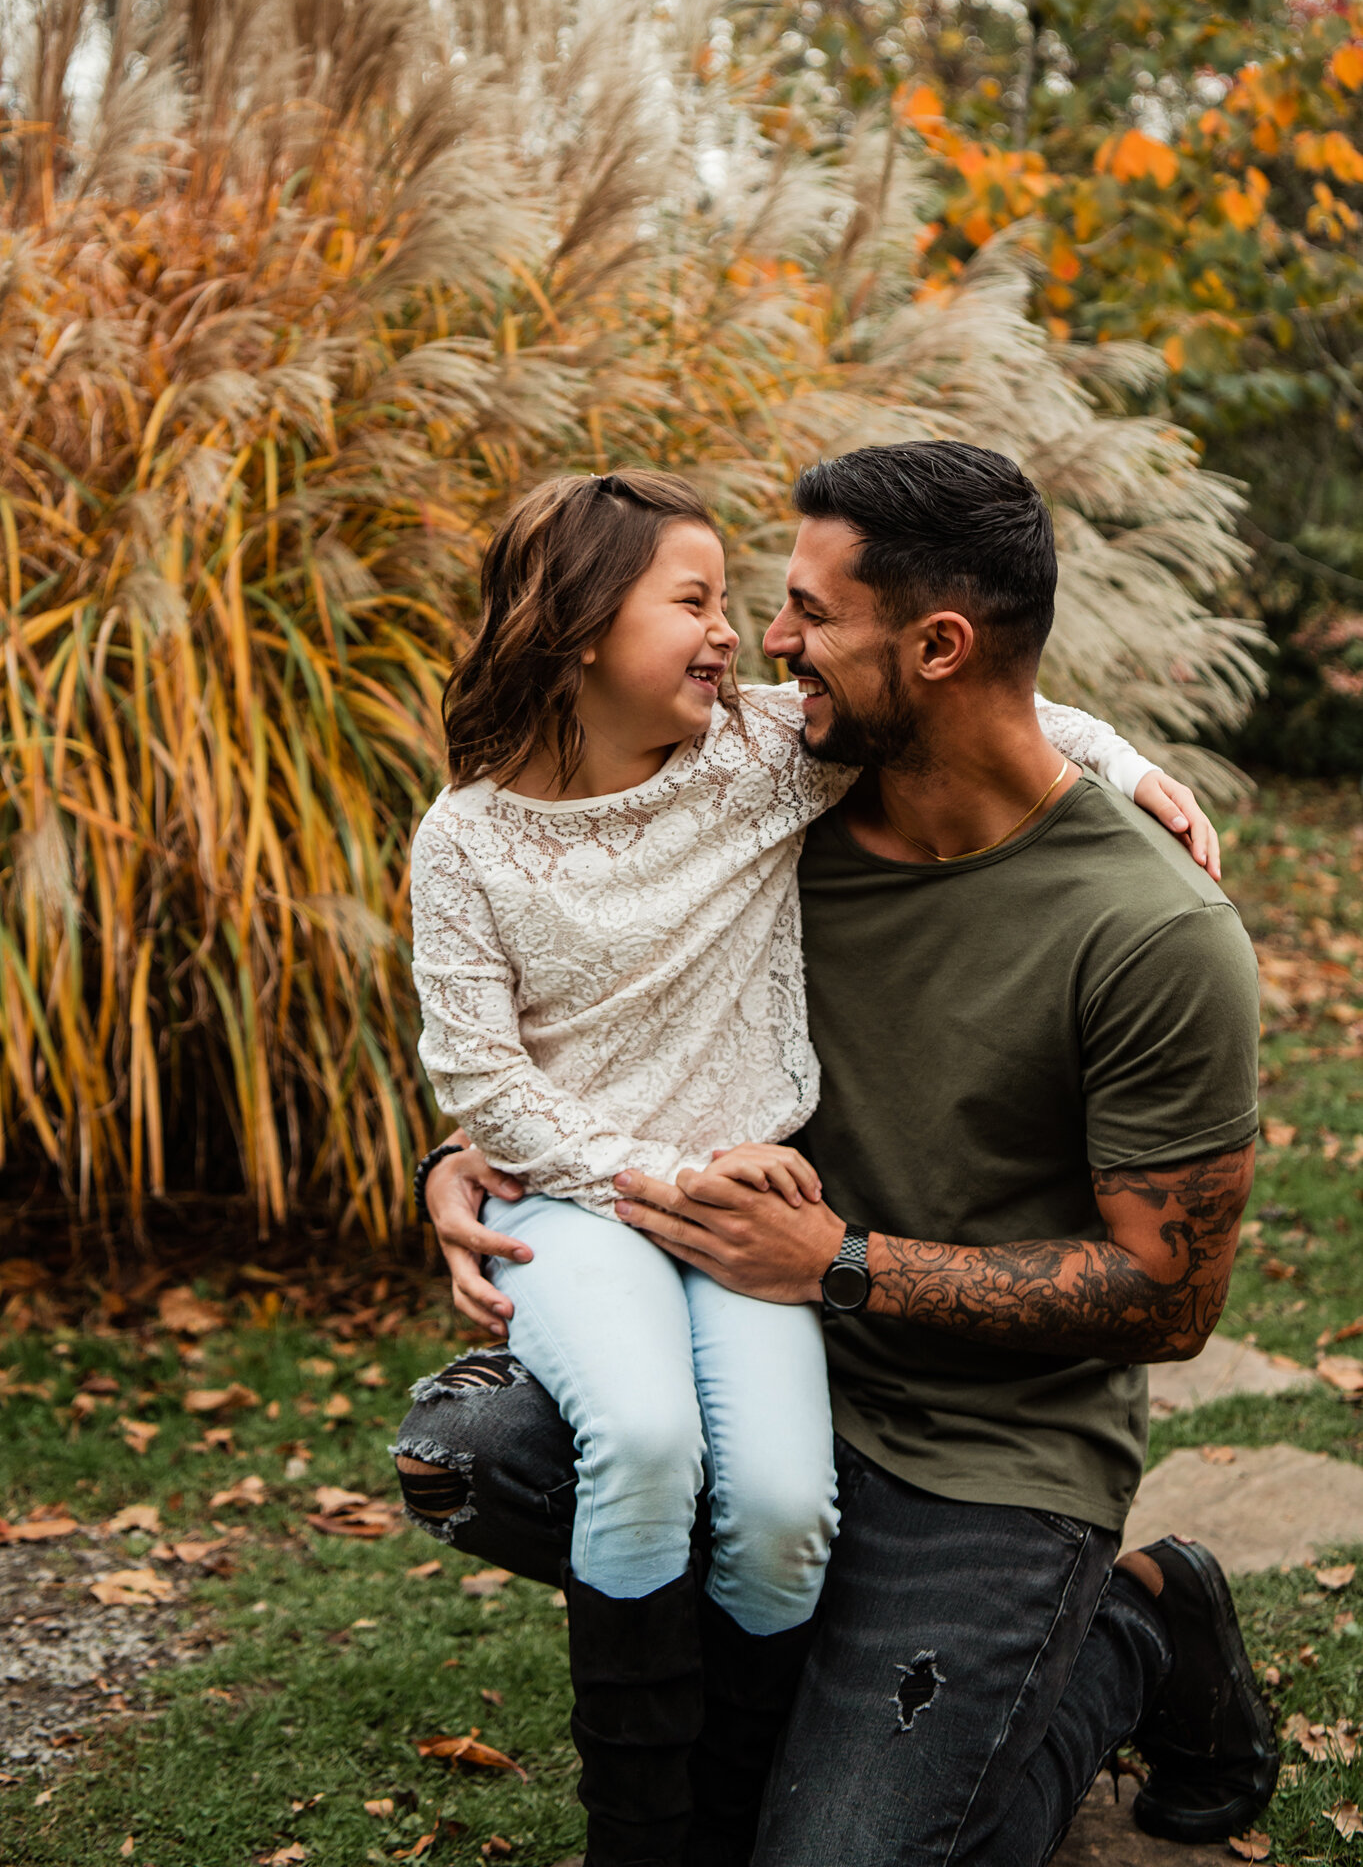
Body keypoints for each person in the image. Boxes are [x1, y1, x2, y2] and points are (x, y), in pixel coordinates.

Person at [395, 447, 1251, 1867]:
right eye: (743, 605)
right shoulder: (777, 806)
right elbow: (599, 999)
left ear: (936, 648)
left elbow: (1173, 1300)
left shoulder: (1150, 926)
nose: (765, 649)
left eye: (802, 612)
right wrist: (469, 1154)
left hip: (990, 1448)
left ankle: (1128, 1637)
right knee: (473, 1449)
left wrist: (837, 1265)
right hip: (766, 1339)